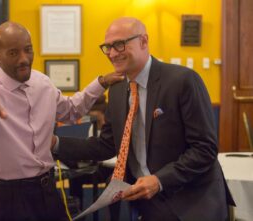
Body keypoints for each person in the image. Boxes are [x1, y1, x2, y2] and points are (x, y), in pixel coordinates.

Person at [53, 17, 235, 221]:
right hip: (148, 205)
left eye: (120, 44)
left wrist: (159, 180)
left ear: (144, 41)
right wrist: (56, 144)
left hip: (192, 204)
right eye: (108, 47)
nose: (112, 53)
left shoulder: (183, 81)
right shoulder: (117, 89)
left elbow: (205, 148)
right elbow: (107, 145)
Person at [0, 21, 123, 221]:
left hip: (46, 190)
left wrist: (101, 83)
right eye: (14, 53)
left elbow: (70, 110)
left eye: (28, 50)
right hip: (5, 197)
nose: (24, 59)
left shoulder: (42, 83)